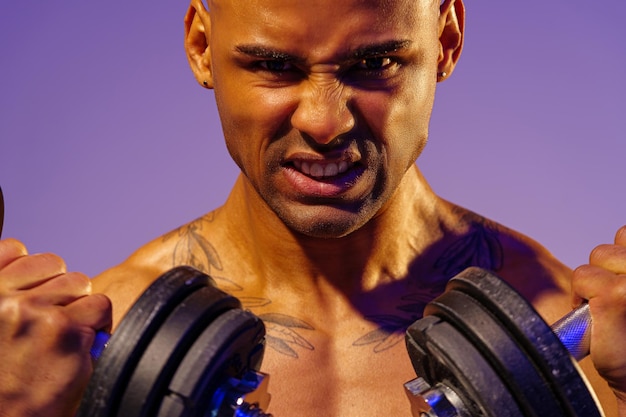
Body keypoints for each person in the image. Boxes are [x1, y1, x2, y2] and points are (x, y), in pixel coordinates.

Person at [1, 0, 625, 416]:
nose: (325, 122)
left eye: (376, 63)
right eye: (273, 66)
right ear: (201, 47)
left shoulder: (577, 332)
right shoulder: (90, 345)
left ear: (446, 39)